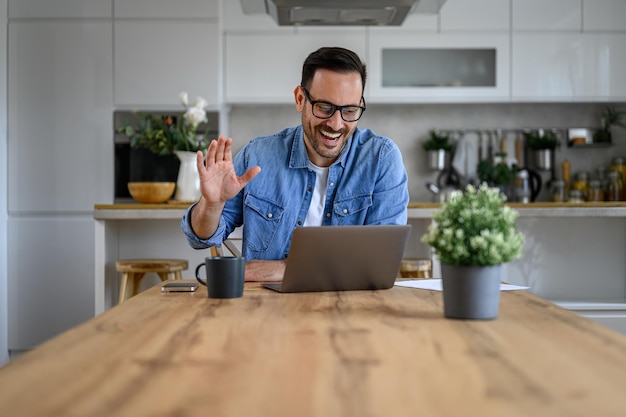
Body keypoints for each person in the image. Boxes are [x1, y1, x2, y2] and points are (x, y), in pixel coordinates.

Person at [182, 46, 409, 281]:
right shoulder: (258, 155)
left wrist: (285, 269)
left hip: (350, 306)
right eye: (324, 107)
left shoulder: (382, 159)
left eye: (350, 110)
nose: (336, 123)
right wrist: (212, 205)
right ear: (300, 99)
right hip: (266, 309)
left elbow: (379, 263)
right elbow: (200, 238)